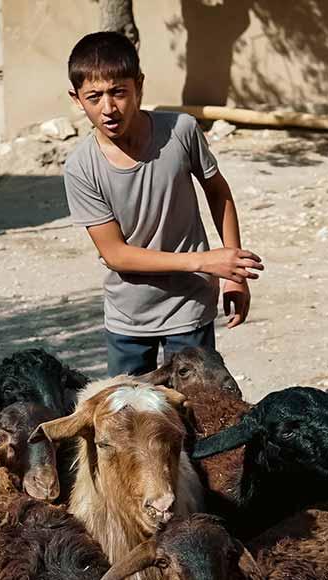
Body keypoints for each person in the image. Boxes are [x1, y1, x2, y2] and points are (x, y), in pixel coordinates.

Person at [63, 31, 264, 377]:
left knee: (198, 415)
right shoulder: (81, 167)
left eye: (119, 92)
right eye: (94, 97)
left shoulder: (181, 132)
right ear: (77, 99)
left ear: (139, 86)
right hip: (129, 318)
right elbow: (116, 254)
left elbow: (218, 192)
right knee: (127, 420)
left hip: (189, 308)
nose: (108, 108)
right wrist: (204, 260)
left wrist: (235, 272)